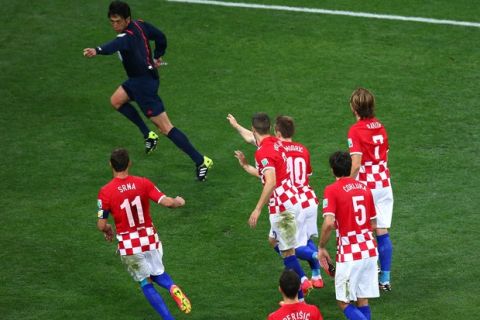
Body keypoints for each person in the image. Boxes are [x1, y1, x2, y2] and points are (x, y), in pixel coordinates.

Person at [83, 1, 212, 181]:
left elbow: (112, 46)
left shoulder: (126, 36)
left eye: (118, 21)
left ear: (127, 19)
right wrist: (159, 54)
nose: (115, 25)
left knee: (166, 128)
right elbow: (160, 36)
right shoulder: (140, 25)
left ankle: (201, 161)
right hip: (138, 80)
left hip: (144, 86)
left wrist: (97, 50)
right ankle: (148, 134)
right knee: (116, 101)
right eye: (112, 21)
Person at [227, 113, 322, 290]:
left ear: (255, 129)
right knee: (273, 241)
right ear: (270, 129)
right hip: (294, 200)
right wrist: (236, 125)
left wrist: (257, 209)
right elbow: (251, 138)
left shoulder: (263, 151)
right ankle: (304, 278)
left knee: (287, 252)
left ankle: (301, 286)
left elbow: (270, 181)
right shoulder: (276, 143)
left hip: (282, 207)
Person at [96, 148, 191, 319]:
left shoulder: (106, 191)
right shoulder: (143, 183)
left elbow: (101, 224)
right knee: (157, 273)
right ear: (129, 163)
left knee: (144, 281)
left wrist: (108, 229)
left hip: (129, 244)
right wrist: (179, 201)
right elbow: (168, 202)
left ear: (110, 164)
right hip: (149, 239)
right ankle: (171, 287)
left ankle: (169, 319)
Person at [318, 151, 379, 320]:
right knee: (362, 299)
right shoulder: (365, 188)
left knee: (343, 301)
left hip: (350, 255)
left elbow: (329, 223)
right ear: (350, 167)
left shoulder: (332, 190)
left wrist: (321, 247)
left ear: (332, 170)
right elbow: (374, 224)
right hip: (369, 250)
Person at [347, 88, 393, 290]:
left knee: (364, 231)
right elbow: (386, 156)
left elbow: (356, 164)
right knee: (382, 230)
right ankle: (385, 278)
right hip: (383, 182)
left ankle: (370, 272)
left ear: (354, 107)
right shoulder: (381, 127)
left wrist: (348, 184)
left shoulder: (355, 130)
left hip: (366, 185)